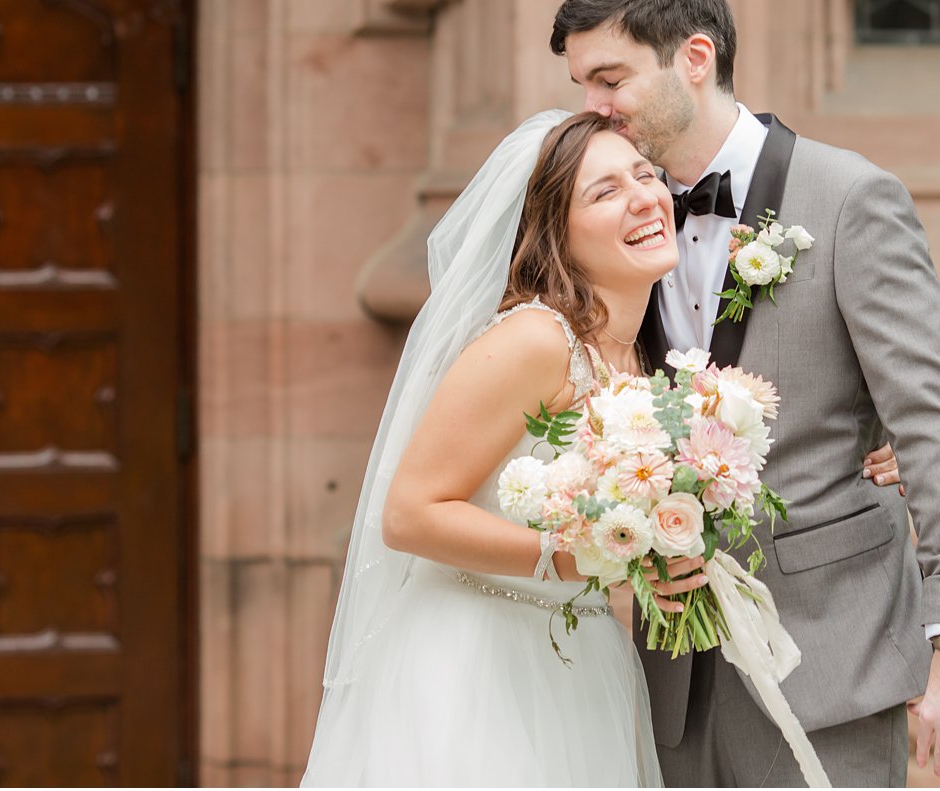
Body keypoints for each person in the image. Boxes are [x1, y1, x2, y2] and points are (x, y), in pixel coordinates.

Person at [301, 110, 902, 786]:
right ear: (555, 229)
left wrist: (880, 448)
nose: (645, 197)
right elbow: (409, 513)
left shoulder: (647, 356)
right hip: (480, 662)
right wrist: (572, 557)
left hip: (586, 661)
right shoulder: (533, 340)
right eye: (605, 190)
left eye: (645, 176)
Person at [552, 0, 940, 787]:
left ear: (694, 59)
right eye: (584, 83)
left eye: (610, 77)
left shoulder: (849, 199)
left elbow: (934, 421)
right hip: (669, 668)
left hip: (829, 657)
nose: (594, 107)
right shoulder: (614, 219)